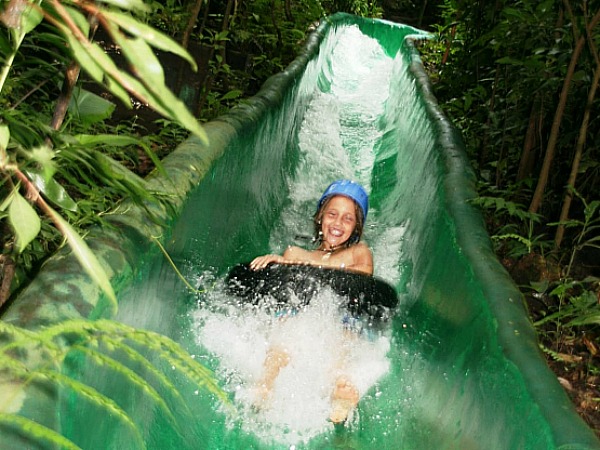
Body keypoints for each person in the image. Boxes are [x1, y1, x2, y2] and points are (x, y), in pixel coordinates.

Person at [249, 179, 373, 424]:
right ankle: (265, 386)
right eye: (332, 215)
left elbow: (363, 277)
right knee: (282, 340)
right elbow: (283, 290)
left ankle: (340, 389)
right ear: (320, 217)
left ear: (356, 226)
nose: (338, 223)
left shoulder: (359, 252)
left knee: (343, 336)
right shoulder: (295, 253)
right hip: (300, 315)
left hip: (340, 316)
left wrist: (307, 268)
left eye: (348, 219)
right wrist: (275, 264)